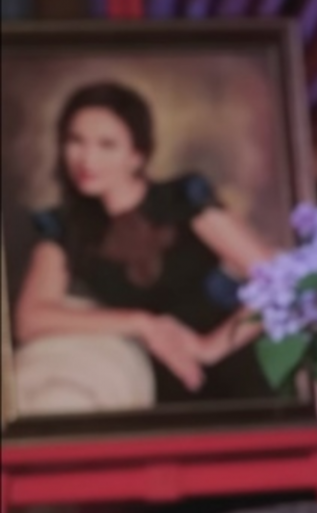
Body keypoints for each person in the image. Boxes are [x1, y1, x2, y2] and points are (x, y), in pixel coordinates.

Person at [14, 81, 276, 405]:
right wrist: (142, 324)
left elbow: (277, 280)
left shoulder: (182, 198)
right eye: (75, 141)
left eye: (107, 145)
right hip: (160, 377)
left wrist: (210, 348)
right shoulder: (63, 226)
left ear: (137, 155)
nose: (87, 159)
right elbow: (30, 320)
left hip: (238, 359)